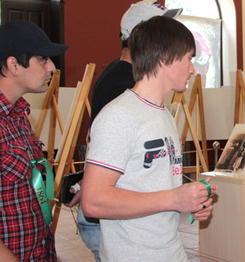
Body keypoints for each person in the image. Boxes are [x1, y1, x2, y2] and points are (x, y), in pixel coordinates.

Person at [81, 16, 216, 261]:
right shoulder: (118, 116)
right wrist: (174, 198)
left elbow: (155, 190)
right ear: (166, 56)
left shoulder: (163, 115)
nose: (192, 69)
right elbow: (93, 201)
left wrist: (189, 201)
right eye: (188, 58)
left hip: (171, 252)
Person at [66, 2, 183, 260]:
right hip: (117, 225)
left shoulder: (122, 76)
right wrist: (173, 199)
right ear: (143, 38)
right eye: (161, 31)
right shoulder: (126, 86)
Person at [0, 20, 68, 261]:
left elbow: (31, 188)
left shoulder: (19, 115)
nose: (51, 67)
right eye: (43, 59)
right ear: (13, 65)